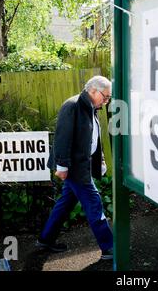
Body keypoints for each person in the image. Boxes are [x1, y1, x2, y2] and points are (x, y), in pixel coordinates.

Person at [36, 75, 113, 260]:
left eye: (108, 98)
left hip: (82, 166)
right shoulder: (72, 106)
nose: (106, 101)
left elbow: (92, 139)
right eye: (105, 96)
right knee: (94, 203)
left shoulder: (91, 108)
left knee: (65, 203)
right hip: (74, 168)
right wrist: (62, 166)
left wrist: (99, 161)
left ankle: (45, 239)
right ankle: (109, 247)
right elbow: (63, 138)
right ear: (93, 90)